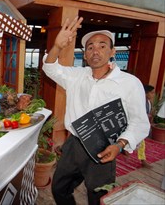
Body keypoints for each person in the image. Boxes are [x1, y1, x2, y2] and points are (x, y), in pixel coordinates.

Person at [42, 16, 150, 205]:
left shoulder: (129, 83)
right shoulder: (77, 76)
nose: (95, 51)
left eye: (102, 46)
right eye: (90, 47)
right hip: (74, 145)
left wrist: (120, 145)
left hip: (105, 149)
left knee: (98, 197)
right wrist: (57, 46)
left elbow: (140, 122)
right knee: (59, 188)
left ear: (112, 52)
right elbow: (50, 68)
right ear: (84, 55)